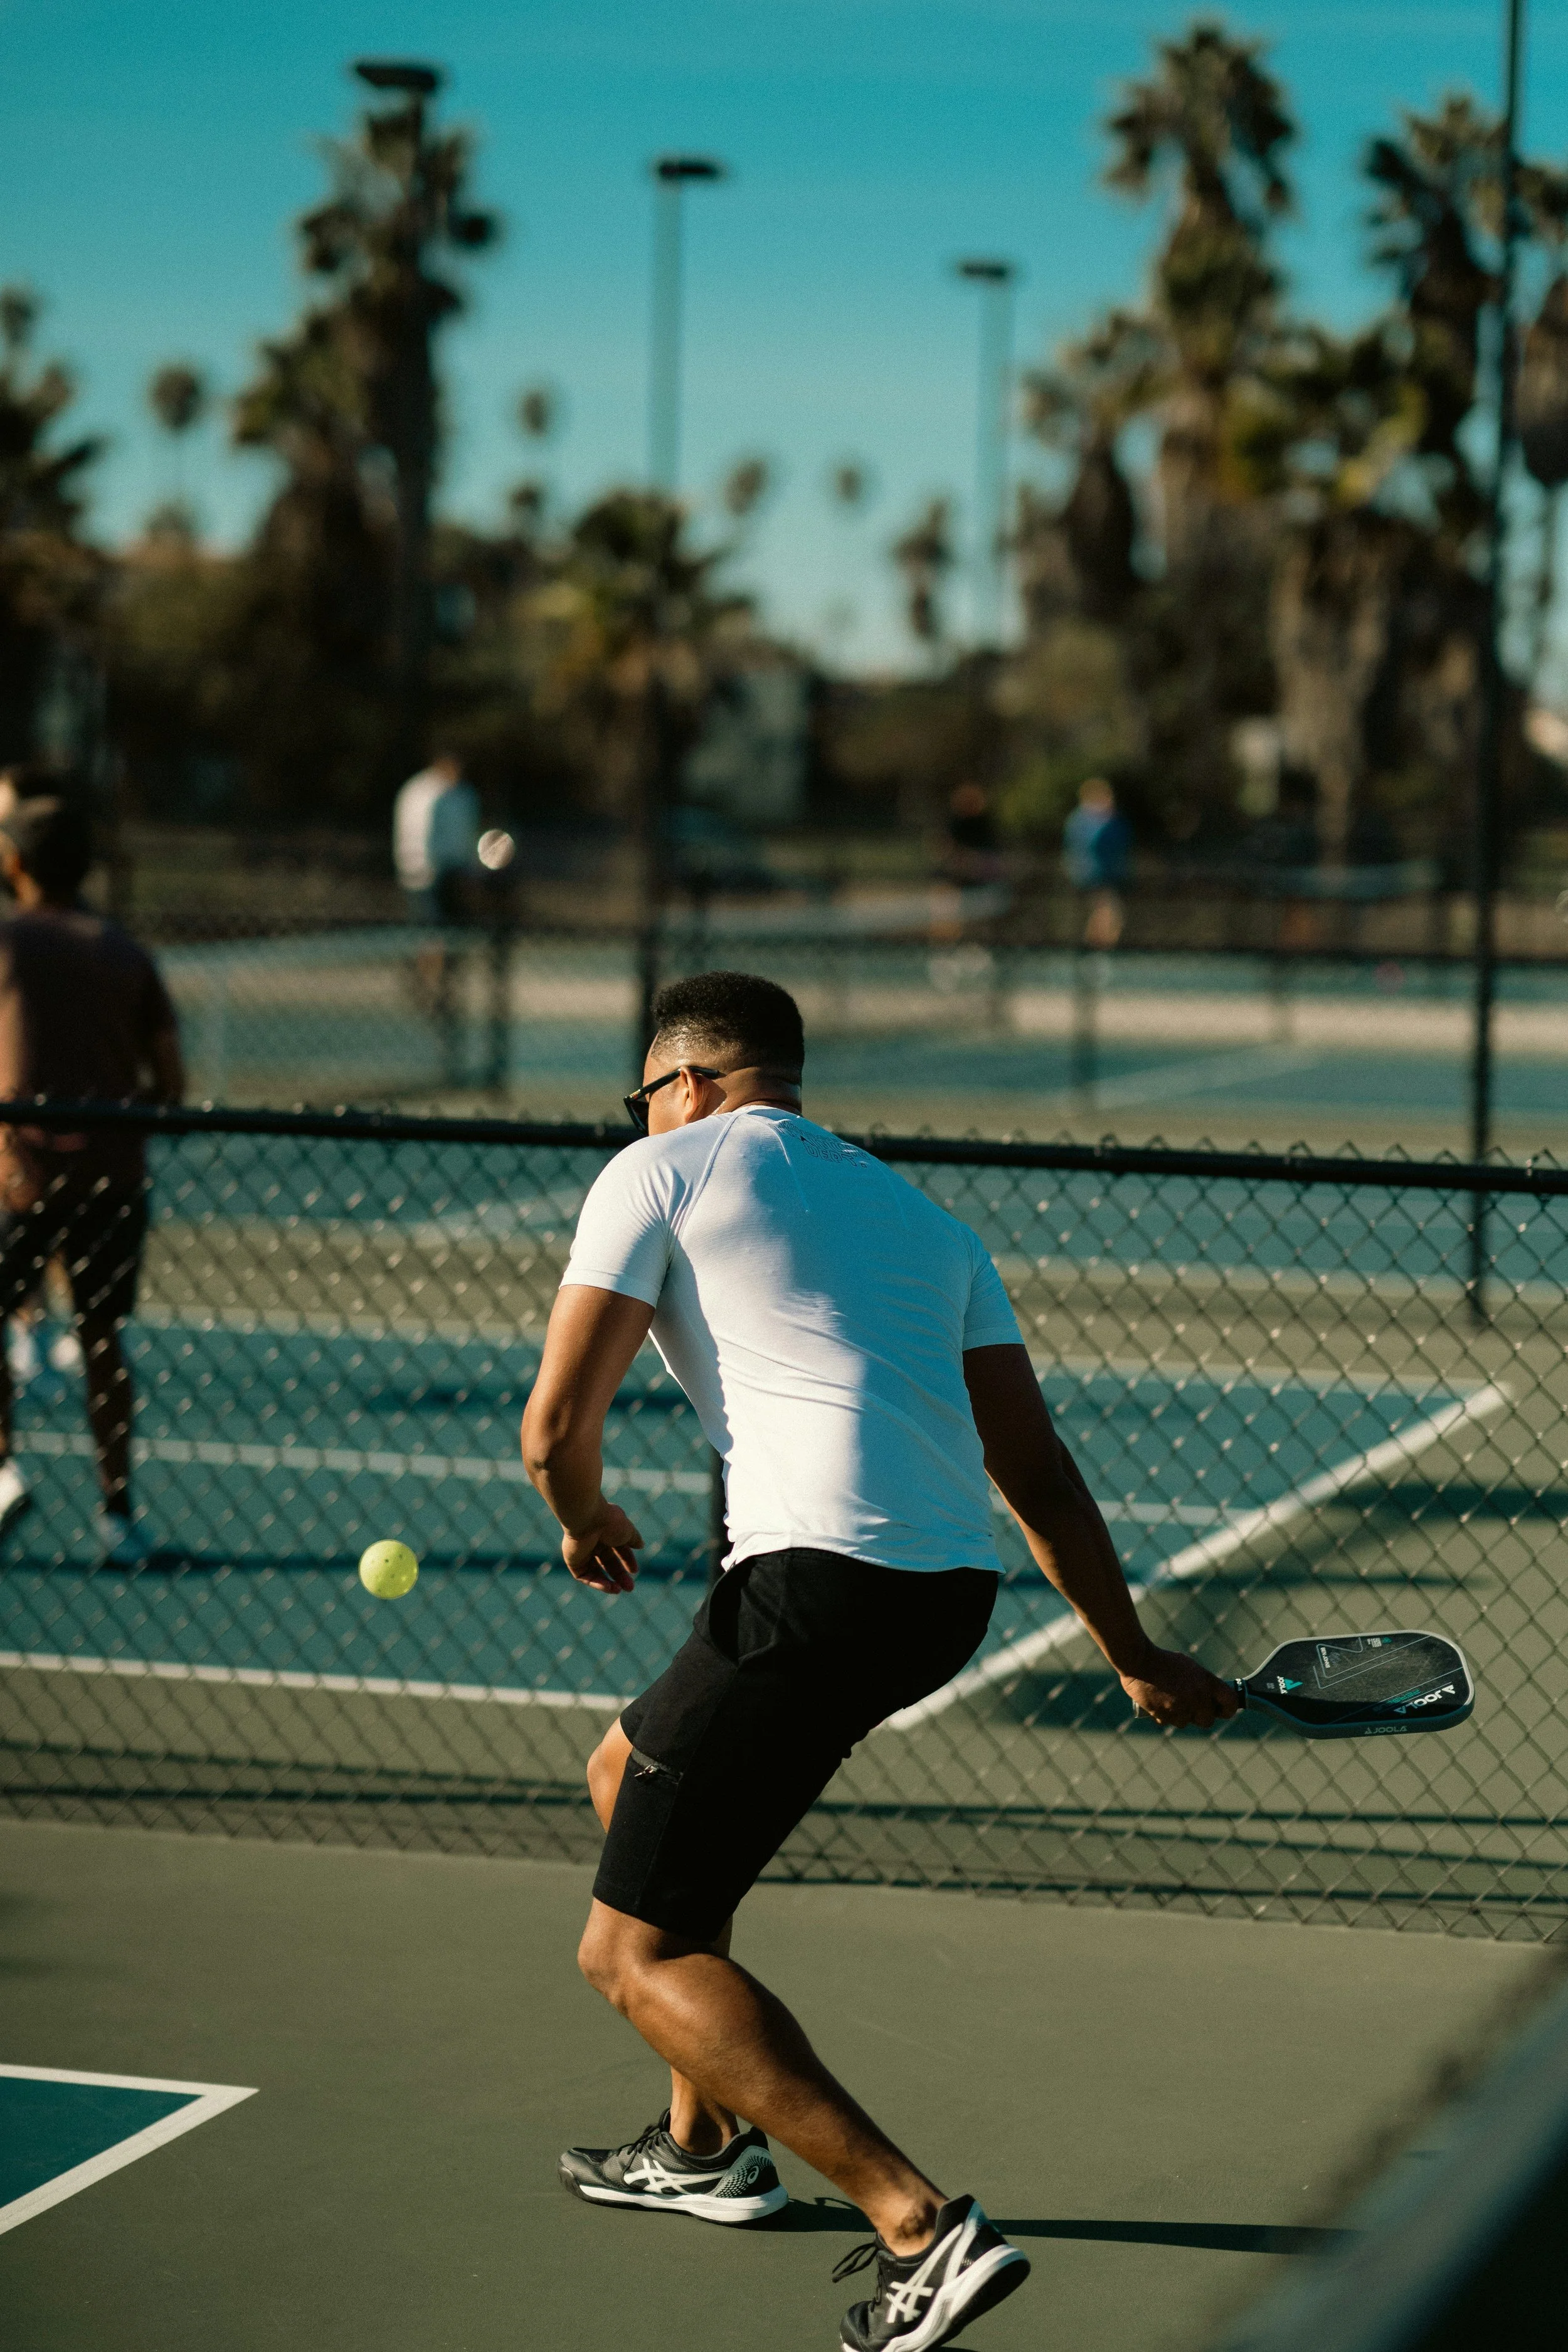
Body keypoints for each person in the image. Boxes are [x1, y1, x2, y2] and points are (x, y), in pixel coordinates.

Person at [521, 968, 1237, 2352]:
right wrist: (1129, 1648)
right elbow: (1033, 1470)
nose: (644, 1113)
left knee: (629, 1952)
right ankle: (704, 2149)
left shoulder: (657, 1168)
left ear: (686, 1082)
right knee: (630, 1771)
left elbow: (557, 1425)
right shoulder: (927, 1220)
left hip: (810, 1584)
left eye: (646, 1093)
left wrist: (582, 1517)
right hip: (940, 1598)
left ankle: (919, 2226)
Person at [0, 798, 184, 1564]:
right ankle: (119, 1516)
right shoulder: (125, 952)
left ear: (15, 863)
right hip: (111, 1178)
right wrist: (105, 1127)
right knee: (103, 1339)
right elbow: (170, 1083)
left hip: (15, 1179)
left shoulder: (4, 942)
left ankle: (4, 1474)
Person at [392, 751, 480, 926]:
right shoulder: (422, 793)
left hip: (452, 872)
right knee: (429, 930)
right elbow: (417, 834)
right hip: (423, 872)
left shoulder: (461, 793)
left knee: (449, 928)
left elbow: (464, 834)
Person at [1063, 776, 1131, 950]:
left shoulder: (1113, 819)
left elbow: (1125, 841)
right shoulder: (1081, 821)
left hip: (1109, 875)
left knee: (1107, 917)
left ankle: (1096, 952)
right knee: (1106, 915)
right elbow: (1089, 845)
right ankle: (1095, 951)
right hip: (1092, 876)